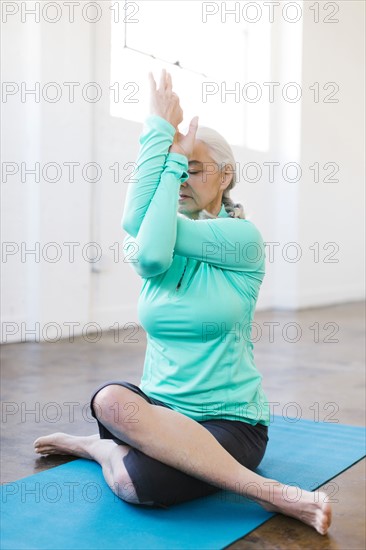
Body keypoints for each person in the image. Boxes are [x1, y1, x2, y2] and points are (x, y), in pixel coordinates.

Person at [34, 69, 332, 535]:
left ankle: (111, 451)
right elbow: (146, 236)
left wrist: (170, 154)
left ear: (226, 174)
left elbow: (150, 236)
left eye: (194, 168)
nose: (182, 179)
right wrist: (159, 133)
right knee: (110, 400)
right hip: (159, 411)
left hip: (229, 422)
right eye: (179, 169)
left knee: (137, 484)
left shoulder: (242, 238)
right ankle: (107, 447)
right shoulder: (156, 233)